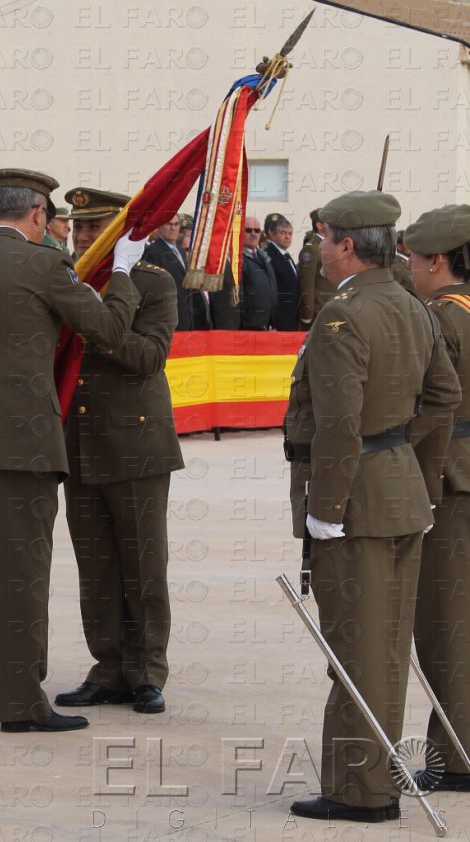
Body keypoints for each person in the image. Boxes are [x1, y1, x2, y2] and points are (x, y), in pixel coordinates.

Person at [0, 168, 141, 733]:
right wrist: (127, 275)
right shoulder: (45, 266)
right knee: (22, 570)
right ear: (38, 214)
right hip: (25, 446)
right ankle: (21, 701)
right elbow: (108, 330)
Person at [285, 191, 461, 824]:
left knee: (356, 652)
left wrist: (325, 506)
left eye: (324, 240)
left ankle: (360, 789)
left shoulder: (342, 317)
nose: (321, 252)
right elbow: (444, 396)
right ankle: (376, 776)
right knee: (385, 647)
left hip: (354, 500)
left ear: (347, 246)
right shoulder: (414, 306)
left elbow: (337, 423)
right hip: (402, 492)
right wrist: (408, 459)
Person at [55, 191, 182, 716]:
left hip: (135, 444)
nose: (84, 237)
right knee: (97, 567)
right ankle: (108, 667)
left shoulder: (152, 280)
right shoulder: (63, 278)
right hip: (79, 445)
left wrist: (104, 313)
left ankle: (148, 671)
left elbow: (149, 356)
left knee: (143, 566)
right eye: (79, 227)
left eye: (95, 227)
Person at [404, 204, 470, 793]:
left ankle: (458, 755)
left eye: (414, 259)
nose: (410, 269)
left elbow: (428, 407)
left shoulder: (439, 320)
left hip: (450, 479)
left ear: (439, 261)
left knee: (446, 627)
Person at [142, 213, 209, 331]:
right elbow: (153, 290)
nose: (173, 228)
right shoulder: (152, 252)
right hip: (168, 319)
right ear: (160, 227)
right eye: (169, 224)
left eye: (176, 224)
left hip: (187, 318)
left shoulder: (180, 250)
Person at [238, 216, 278, 330]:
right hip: (248, 325)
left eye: (257, 230)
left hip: (266, 324)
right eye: (248, 230)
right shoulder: (238, 259)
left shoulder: (263, 256)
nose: (253, 233)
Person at [298, 208, 333, 328]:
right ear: (319, 225)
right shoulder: (311, 249)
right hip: (319, 312)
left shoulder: (331, 245)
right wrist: (307, 317)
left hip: (332, 310)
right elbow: (307, 284)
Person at [265, 213, 300, 331]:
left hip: (291, 317)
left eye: (290, 233)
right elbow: (269, 290)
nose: (287, 237)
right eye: (283, 233)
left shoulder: (285, 254)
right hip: (279, 320)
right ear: (272, 234)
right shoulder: (269, 255)